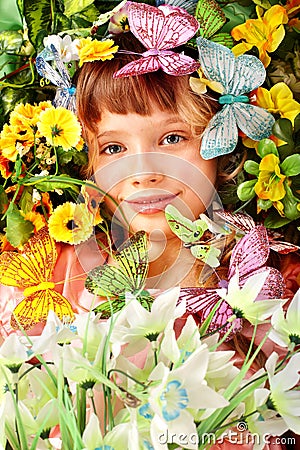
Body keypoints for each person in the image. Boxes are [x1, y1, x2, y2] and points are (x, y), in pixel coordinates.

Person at [0, 2, 299, 449]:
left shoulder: (281, 280)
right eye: (114, 148)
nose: (143, 173)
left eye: (173, 138)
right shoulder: (45, 276)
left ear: (228, 145)